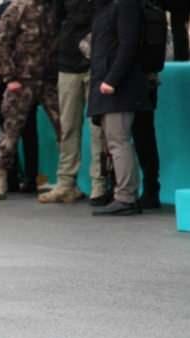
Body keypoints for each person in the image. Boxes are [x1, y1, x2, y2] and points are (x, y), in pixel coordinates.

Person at [0, 0, 60, 201]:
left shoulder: (52, 8)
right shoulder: (16, 9)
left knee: (65, 128)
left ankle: (67, 181)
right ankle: (1, 178)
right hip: (22, 81)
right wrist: (9, 77)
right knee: (10, 132)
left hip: (48, 80)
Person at [38, 0, 106, 205]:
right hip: (68, 61)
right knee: (67, 127)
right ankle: (66, 183)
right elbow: (52, 21)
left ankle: (99, 184)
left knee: (98, 128)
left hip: (97, 61)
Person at [89, 0, 150, 216]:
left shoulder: (124, 5)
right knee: (115, 141)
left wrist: (112, 79)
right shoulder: (105, 7)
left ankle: (126, 196)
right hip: (108, 86)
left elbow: (128, 45)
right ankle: (123, 194)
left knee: (119, 141)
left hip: (118, 87)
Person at [0, 0, 38, 194]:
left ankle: (28, 178)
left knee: (26, 130)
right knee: (11, 128)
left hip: (24, 78)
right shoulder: (1, 10)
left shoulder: (31, 9)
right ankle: (14, 177)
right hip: (9, 80)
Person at [133, 74, 161, 209]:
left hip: (141, 83)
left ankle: (150, 189)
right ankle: (150, 190)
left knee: (144, 139)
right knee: (144, 138)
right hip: (144, 82)